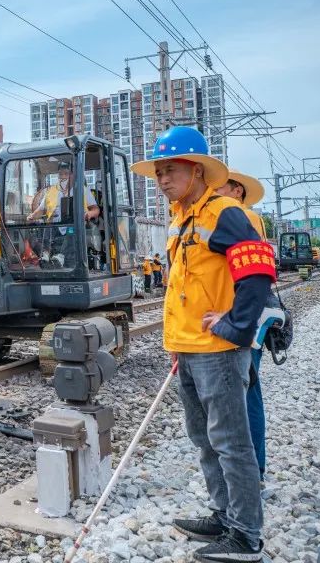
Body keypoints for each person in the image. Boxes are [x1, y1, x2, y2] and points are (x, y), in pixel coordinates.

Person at [131, 127, 273, 562]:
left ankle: (246, 535)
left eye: (169, 170)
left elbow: (258, 272)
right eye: (157, 172)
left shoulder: (226, 213)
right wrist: (176, 343)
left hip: (219, 351)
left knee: (232, 441)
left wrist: (235, 327)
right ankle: (224, 514)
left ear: (196, 170)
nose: (161, 179)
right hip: (189, 349)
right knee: (205, 439)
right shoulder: (183, 219)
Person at [215, 169, 270, 479]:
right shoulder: (245, 218)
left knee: (245, 393)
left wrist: (236, 324)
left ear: (237, 191)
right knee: (247, 391)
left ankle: (252, 470)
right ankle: (253, 467)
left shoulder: (239, 217)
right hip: (244, 318)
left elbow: (251, 276)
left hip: (243, 320)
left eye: (219, 186)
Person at [27, 160, 99, 223]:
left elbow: (96, 209)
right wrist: (32, 216)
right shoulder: (50, 191)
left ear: (73, 175)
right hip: (54, 228)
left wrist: (89, 214)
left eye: (66, 174)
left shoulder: (83, 190)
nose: (63, 177)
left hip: (78, 229)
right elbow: (41, 210)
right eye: (60, 174)